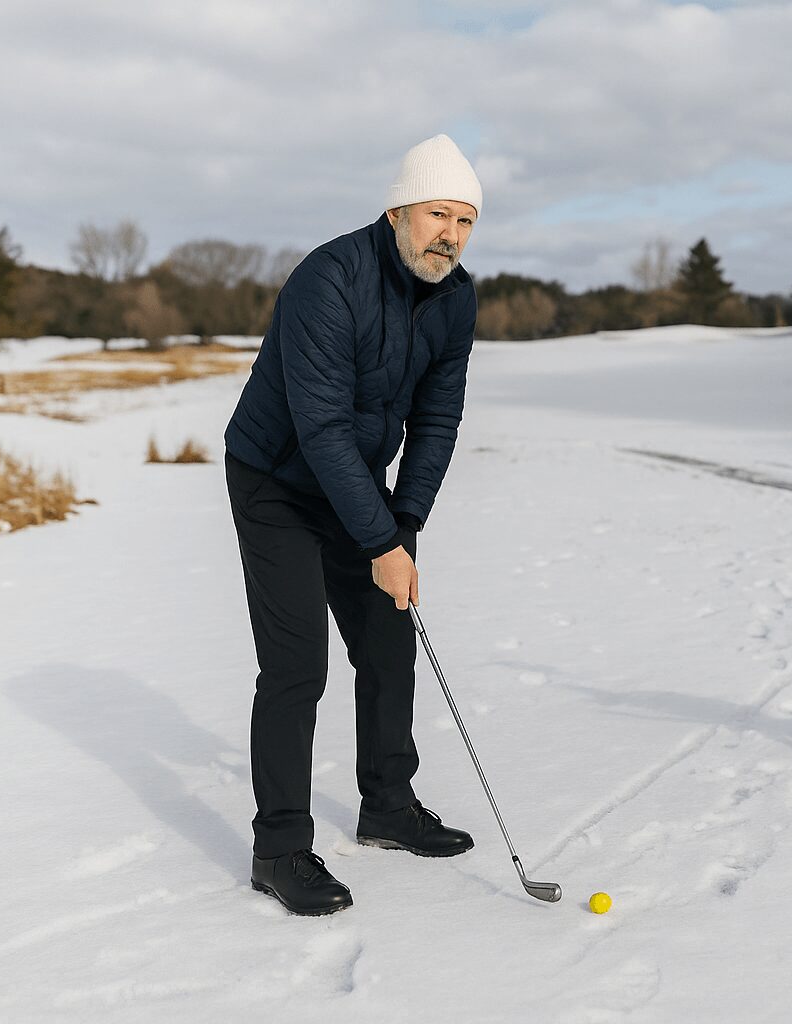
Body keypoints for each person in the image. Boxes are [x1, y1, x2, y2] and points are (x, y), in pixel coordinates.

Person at [224, 134, 482, 916]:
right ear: (398, 209)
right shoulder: (328, 279)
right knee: (298, 666)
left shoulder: (456, 294)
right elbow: (323, 426)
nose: (451, 235)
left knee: (387, 637)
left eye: (466, 222)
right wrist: (379, 541)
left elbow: (439, 418)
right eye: (439, 214)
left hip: (356, 489)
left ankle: (388, 807)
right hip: (277, 480)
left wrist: (402, 526)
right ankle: (279, 849)